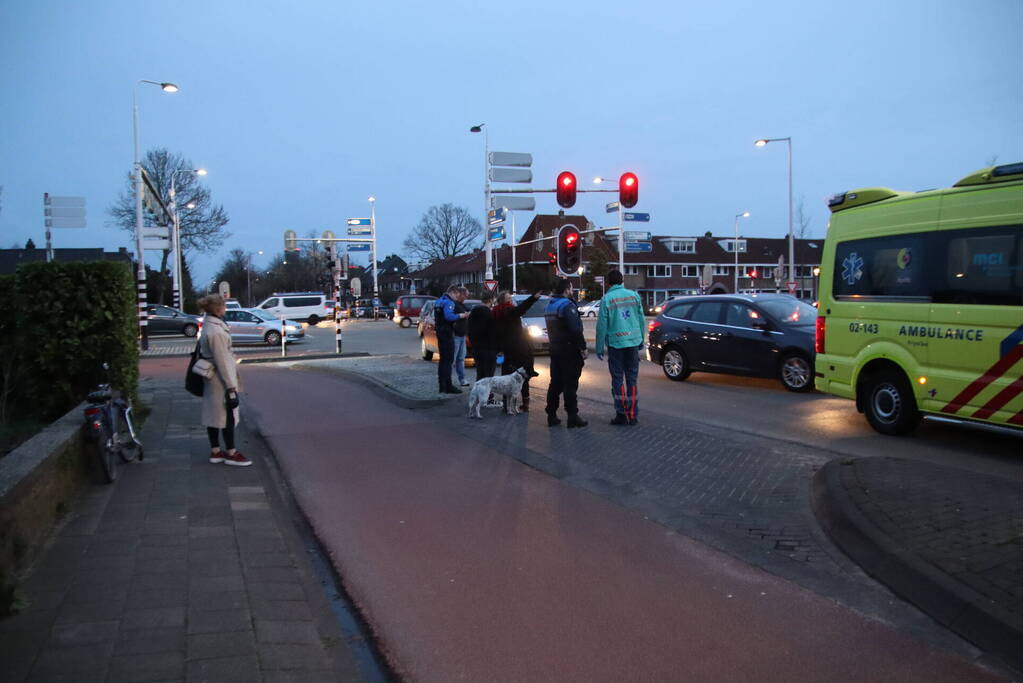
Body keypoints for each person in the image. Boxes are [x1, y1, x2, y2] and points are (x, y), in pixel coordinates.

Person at [197, 294, 251, 466]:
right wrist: (230, 387)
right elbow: (221, 359)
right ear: (218, 308)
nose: (225, 309)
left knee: (213, 415)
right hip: (220, 379)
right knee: (228, 414)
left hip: (211, 376)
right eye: (224, 306)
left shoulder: (209, 325)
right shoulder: (216, 331)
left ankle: (215, 451)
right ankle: (231, 452)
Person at [594, 269, 646, 426]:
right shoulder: (634, 296)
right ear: (622, 281)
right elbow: (641, 319)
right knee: (632, 379)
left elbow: (601, 326)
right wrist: (641, 339)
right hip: (633, 343)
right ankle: (633, 414)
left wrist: (599, 347)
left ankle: (621, 414)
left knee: (617, 379)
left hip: (616, 345)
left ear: (608, 283)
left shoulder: (607, 299)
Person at [544, 279, 588, 428]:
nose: (572, 290)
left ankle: (551, 415)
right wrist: (583, 348)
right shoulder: (567, 306)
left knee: (555, 383)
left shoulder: (550, 305)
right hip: (569, 350)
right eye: (571, 288)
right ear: (566, 290)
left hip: (555, 349)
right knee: (570, 384)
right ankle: (572, 416)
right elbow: (575, 330)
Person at [492, 288, 542, 411]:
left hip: (506, 350)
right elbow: (522, 308)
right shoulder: (508, 310)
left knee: (506, 377)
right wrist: (533, 298)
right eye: (509, 298)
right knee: (522, 377)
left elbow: (495, 334)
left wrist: (498, 348)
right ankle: (525, 404)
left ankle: (506, 405)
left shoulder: (496, 313)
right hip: (519, 349)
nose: (512, 301)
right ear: (505, 301)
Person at [435, 284, 470, 394]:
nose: (456, 298)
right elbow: (448, 316)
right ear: (453, 292)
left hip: (440, 332)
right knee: (448, 361)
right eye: (457, 295)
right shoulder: (449, 302)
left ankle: (442, 386)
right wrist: (461, 316)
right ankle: (448, 386)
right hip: (447, 333)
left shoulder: (439, 301)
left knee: (442, 361)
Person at [467, 292, 498, 382]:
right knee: (489, 372)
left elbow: (469, 330)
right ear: (491, 300)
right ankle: (487, 394)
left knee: (480, 372)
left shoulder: (473, 312)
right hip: (488, 348)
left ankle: (478, 392)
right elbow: (492, 331)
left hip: (476, 347)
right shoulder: (489, 313)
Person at [452, 286, 471, 387]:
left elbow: (469, 312)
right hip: (455, 336)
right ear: (461, 294)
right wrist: (464, 314)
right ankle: (448, 380)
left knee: (460, 359)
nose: (467, 297)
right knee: (452, 359)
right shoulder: (454, 305)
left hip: (462, 336)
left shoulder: (462, 305)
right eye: (466, 295)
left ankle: (462, 379)